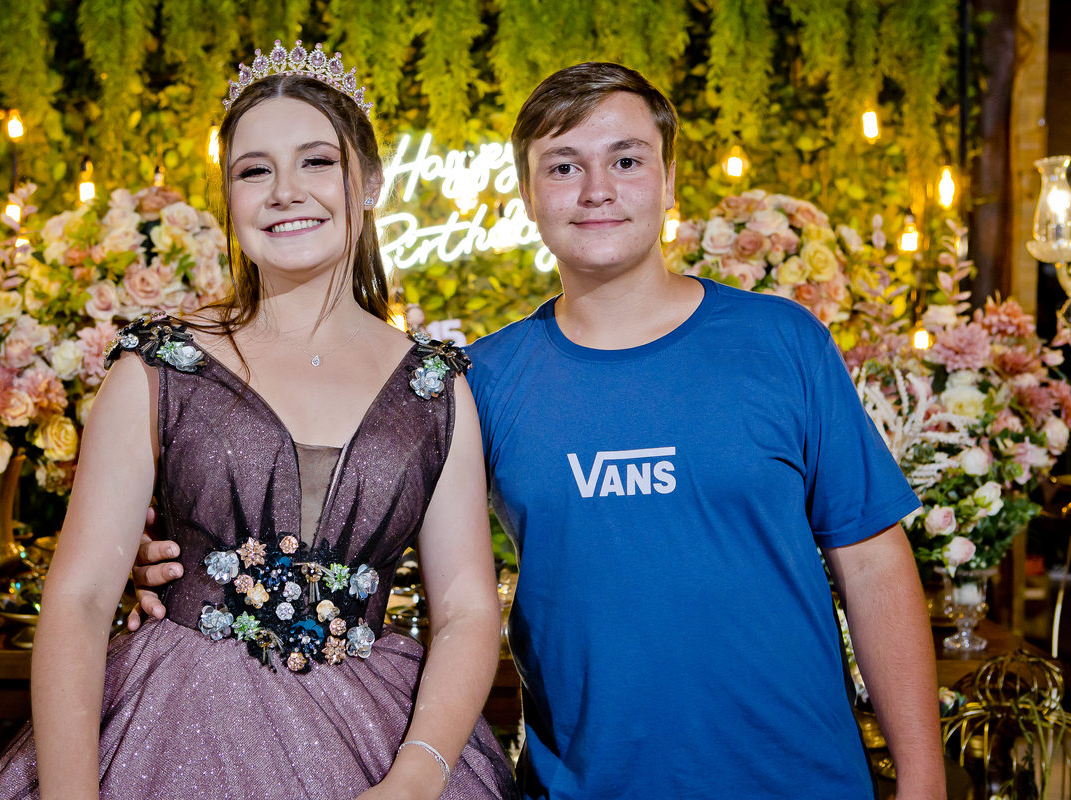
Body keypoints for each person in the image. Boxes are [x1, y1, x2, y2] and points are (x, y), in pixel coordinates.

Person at [135, 62, 944, 799]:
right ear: (527, 195)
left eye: (626, 160)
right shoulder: (479, 382)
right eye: (563, 166)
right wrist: (177, 554)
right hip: (585, 784)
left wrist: (924, 779)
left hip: (802, 776)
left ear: (670, 181)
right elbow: (350, 515)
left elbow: (874, 565)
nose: (596, 190)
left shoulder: (782, 342)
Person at [0, 42, 518, 800]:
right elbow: (81, 600)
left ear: (371, 181)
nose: (285, 192)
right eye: (254, 171)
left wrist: (417, 776)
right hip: (170, 728)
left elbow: (466, 610)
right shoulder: (158, 370)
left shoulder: (434, 389)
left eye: (316, 162)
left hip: (376, 740)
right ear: (229, 197)